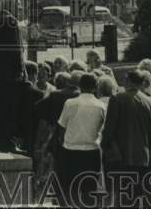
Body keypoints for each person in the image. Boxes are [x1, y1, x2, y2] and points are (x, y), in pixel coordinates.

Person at [101, 68, 151, 208]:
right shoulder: (150, 102)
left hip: (120, 157)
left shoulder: (117, 99)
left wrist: (105, 147)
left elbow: (109, 129)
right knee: (135, 198)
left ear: (128, 81)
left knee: (120, 197)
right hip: (141, 157)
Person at [56, 73, 107, 208]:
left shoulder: (70, 103)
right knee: (89, 190)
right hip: (92, 152)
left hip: (70, 151)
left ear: (80, 86)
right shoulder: (101, 106)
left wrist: (64, 142)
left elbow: (62, 127)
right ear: (95, 87)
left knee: (70, 188)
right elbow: (104, 128)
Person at [0, 0, 25, 153]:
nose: (20, 9)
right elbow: (16, 50)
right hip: (8, 74)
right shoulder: (11, 21)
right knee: (8, 108)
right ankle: (6, 142)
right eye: (18, 5)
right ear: (11, 5)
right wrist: (20, 70)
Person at [32, 72, 81, 193]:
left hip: (56, 139)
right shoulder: (83, 97)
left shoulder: (55, 95)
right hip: (78, 140)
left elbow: (40, 113)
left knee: (51, 172)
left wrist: (38, 143)